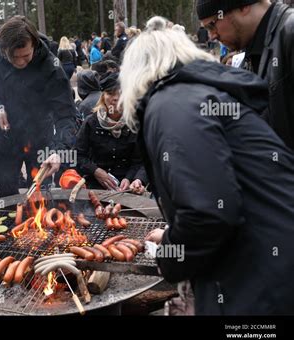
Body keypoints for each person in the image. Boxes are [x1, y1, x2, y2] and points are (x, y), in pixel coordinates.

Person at [119, 16, 294, 315]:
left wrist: (169, 255)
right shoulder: (199, 95)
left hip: (262, 282)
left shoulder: (171, 104)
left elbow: (208, 212)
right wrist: (174, 233)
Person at [0, 16, 77, 198]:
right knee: (7, 193)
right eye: (14, 57)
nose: (20, 62)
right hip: (6, 138)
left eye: (26, 56)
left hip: (40, 137)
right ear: (3, 49)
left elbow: (67, 116)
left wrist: (57, 151)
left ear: (34, 44)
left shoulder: (51, 67)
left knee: (41, 194)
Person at [197, 0, 294, 150]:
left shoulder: (290, 33)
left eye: (212, 25)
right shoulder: (250, 48)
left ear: (243, 6)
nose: (212, 36)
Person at [76, 73, 146, 192]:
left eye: (120, 93)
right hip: (95, 187)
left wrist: (134, 179)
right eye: (110, 93)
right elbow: (77, 155)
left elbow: (142, 161)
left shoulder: (136, 124)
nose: (116, 98)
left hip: (128, 190)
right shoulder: (91, 123)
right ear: (103, 96)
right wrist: (96, 171)